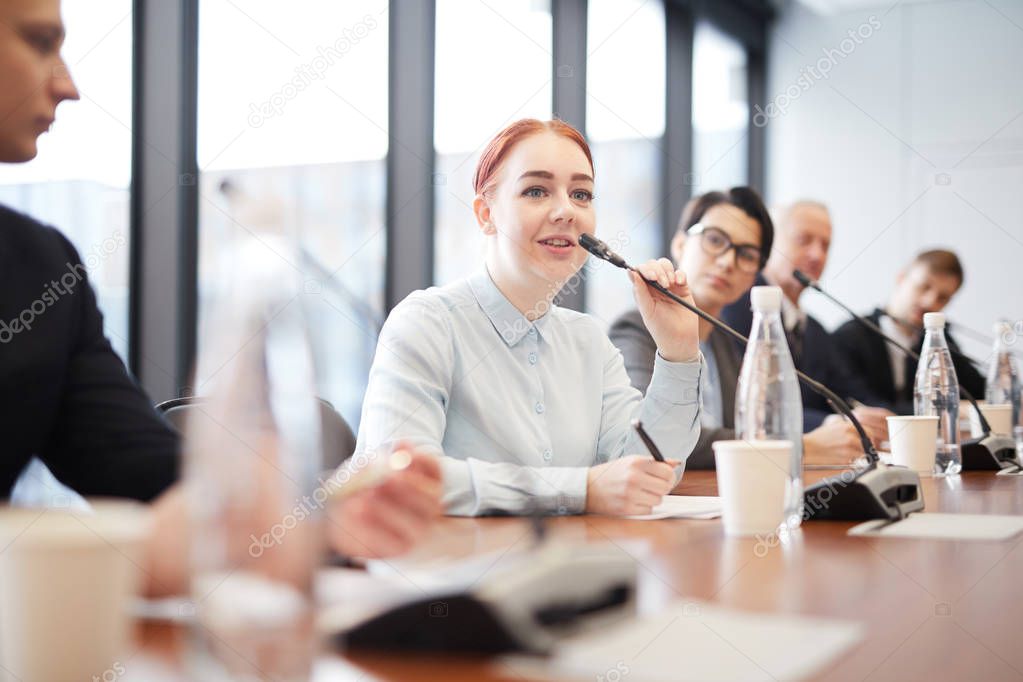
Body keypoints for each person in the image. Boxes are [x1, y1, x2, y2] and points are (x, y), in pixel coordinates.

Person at [0, 0, 442, 595]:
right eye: (38, 40)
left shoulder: (41, 265)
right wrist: (129, 561)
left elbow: (141, 466)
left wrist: (313, 517)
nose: (69, 85)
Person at [355, 118, 704, 517]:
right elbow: (403, 482)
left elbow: (649, 473)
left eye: (582, 194)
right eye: (536, 191)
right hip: (453, 572)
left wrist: (678, 352)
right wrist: (578, 490)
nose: (566, 211)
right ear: (486, 214)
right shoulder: (426, 324)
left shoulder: (589, 340)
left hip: (576, 569)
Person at [610, 189, 879, 467]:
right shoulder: (635, 329)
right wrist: (801, 449)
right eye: (714, 240)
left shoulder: (724, 339)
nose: (728, 262)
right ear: (680, 244)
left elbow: (750, 425)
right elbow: (654, 436)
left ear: (754, 274)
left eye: (747, 254)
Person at [720, 200, 893, 459]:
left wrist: (882, 417)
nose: (817, 255)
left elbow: (854, 391)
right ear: (769, 245)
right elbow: (750, 405)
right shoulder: (734, 309)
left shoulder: (815, 330)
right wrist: (829, 424)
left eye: (825, 245)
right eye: (804, 240)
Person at [832, 249, 985, 414]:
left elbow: (980, 390)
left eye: (942, 297)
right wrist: (945, 408)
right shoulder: (849, 337)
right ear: (901, 278)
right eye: (924, 287)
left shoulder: (939, 341)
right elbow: (868, 409)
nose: (930, 302)